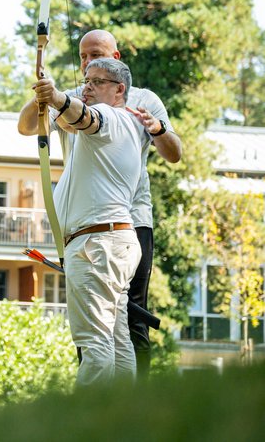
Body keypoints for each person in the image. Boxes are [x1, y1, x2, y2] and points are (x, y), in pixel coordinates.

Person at [18, 58, 146, 385]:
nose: (87, 87)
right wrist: (47, 97)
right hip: (110, 242)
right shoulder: (123, 125)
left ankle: (87, 426)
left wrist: (58, 97)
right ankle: (122, 422)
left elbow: (86, 118)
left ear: (119, 90)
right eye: (86, 81)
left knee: (95, 341)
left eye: (97, 82)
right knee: (116, 339)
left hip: (97, 244)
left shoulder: (113, 118)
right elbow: (27, 126)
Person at [69, 30, 182, 377]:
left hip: (131, 219)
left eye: (97, 56)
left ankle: (137, 403)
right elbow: (36, 123)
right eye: (84, 58)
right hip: (85, 221)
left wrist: (159, 129)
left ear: (116, 60)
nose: (88, 64)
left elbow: (174, 153)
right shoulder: (81, 94)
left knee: (132, 313)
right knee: (97, 317)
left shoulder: (143, 98)